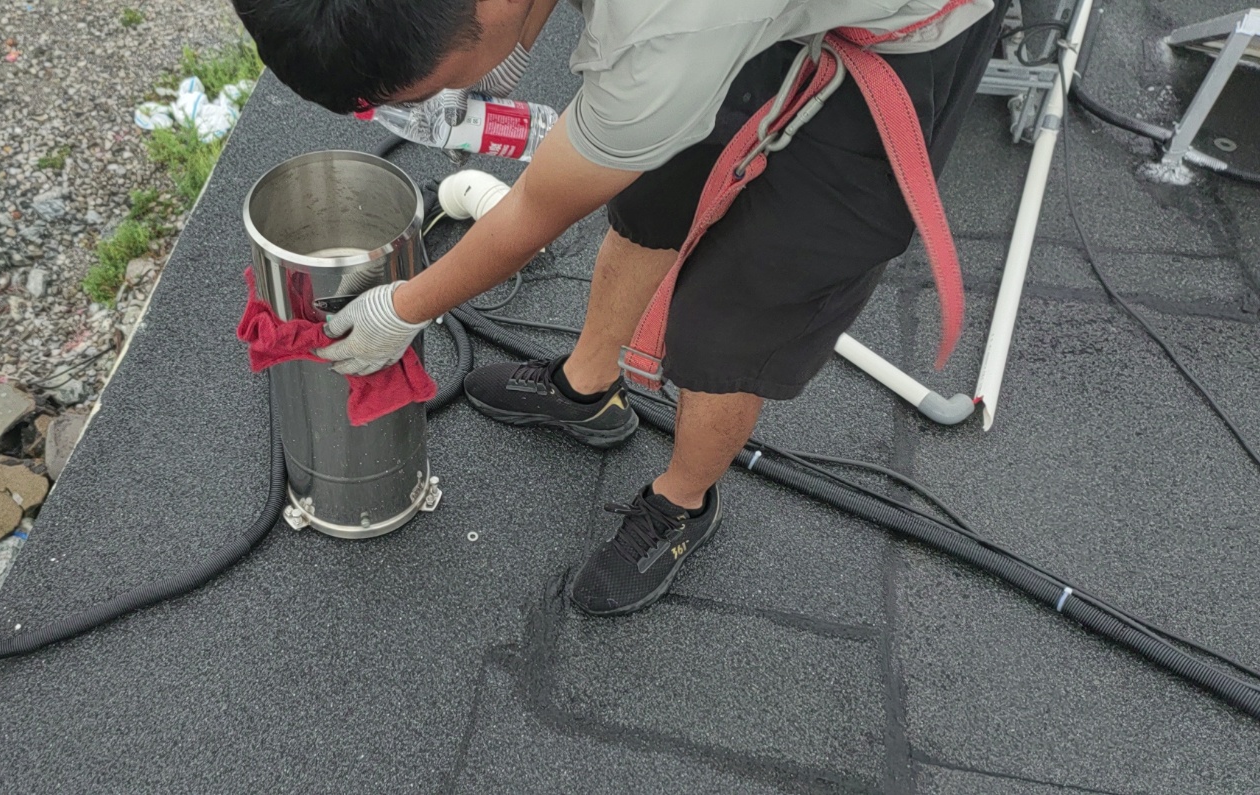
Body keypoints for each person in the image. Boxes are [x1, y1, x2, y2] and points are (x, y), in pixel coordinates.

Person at [231, 0, 1006, 616]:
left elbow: (539, 204)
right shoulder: (654, 46)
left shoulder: (662, 35)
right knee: (652, 193)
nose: (432, 104)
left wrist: (403, 307)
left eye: (420, 91)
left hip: (899, 34)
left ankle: (683, 504)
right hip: (728, 20)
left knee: (735, 320)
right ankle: (588, 389)